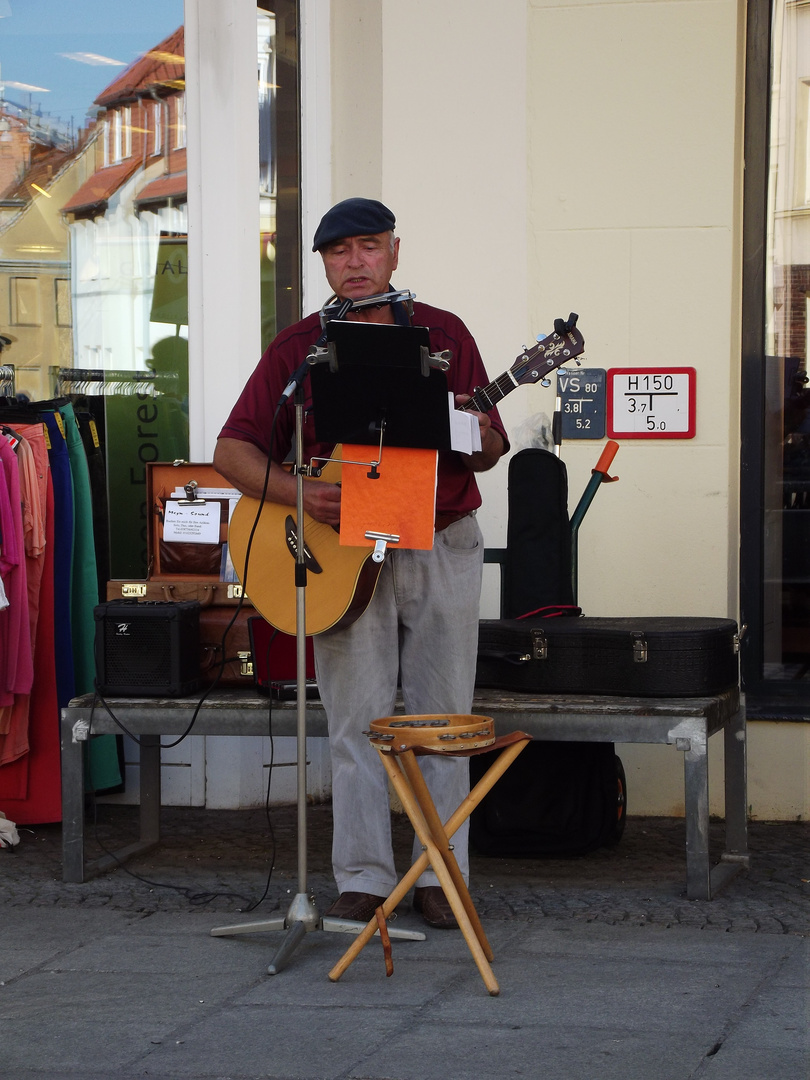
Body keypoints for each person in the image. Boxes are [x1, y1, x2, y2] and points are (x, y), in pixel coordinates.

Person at [214, 198, 508, 928]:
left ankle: (440, 875)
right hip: (342, 550)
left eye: (367, 247)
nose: (353, 262)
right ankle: (365, 878)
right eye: (338, 251)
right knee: (355, 720)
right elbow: (234, 451)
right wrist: (299, 492)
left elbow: (491, 448)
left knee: (440, 718)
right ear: (323, 263)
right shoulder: (298, 348)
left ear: (394, 253)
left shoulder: (444, 335)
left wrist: (471, 430)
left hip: (440, 537)